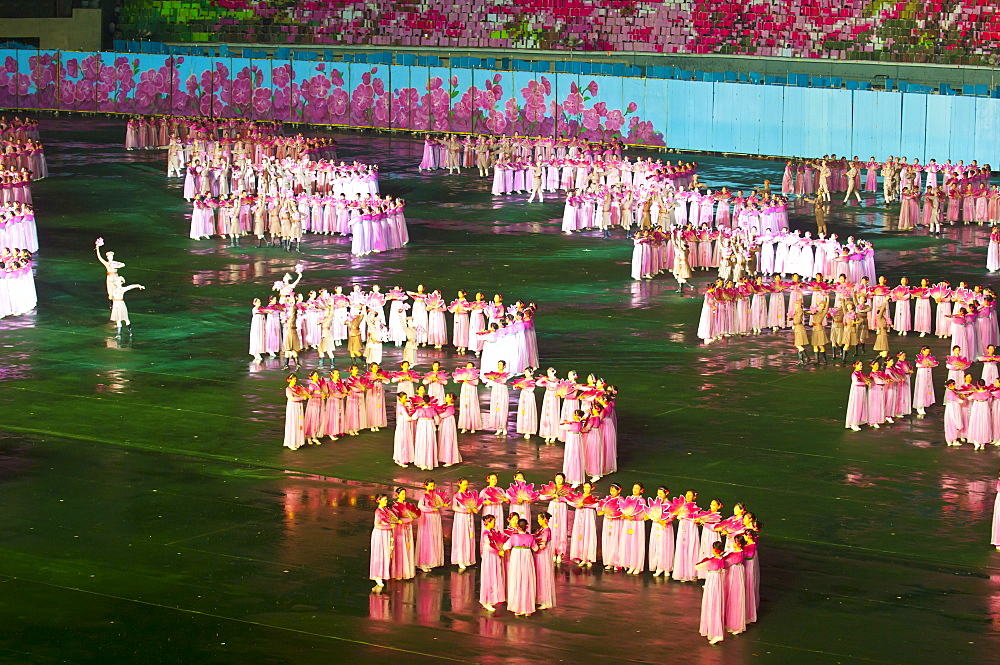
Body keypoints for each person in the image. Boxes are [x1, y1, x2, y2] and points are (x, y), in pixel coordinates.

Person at [502, 518, 538, 617]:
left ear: (518, 526)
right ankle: (528, 608)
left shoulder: (514, 537)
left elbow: (505, 547)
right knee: (527, 580)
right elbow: (536, 548)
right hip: (527, 557)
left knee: (517, 579)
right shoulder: (530, 537)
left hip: (516, 556)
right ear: (526, 526)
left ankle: (518, 607)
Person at [696, 541, 726, 644]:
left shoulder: (713, 562)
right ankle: (714, 631)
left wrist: (706, 560)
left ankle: (717, 633)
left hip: (714, 581)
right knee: (714, 604)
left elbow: (697, 567)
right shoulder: (721, 559)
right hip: (716, 580)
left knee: (714, 604)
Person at [416, 479, 446, 573]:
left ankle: (432, 560)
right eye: (430, 486)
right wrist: (430, 509)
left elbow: (439, 503)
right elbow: (420, 506)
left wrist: (441, 504)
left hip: (435, 517)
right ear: (426, 486)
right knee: (426, 539)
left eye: (433, 486)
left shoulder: (435, 496)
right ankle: (423, 562)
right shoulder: (423, 497)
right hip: (427, 518)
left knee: (434, 537)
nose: (432, 488)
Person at [450, 477, 479, 571]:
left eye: (467, 484)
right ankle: (460, 560)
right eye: (464, 484)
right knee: (461, 537)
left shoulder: (469, 494)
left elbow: (476, 504)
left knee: (469, 536)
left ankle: (468, 558)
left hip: (469, 517)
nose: (465, 486)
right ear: (459, 484)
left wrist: (475, 509)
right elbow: (454, 507)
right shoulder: (457, 495)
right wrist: (465, 510)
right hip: (461, 518)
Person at [479, 514, 506, 611]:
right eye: (493, 521)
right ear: (488, 522)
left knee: (494, 575)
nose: (495, 523)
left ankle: (492, 598)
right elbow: (488, 546)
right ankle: (486, 600)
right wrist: (498, 551)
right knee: (489, 576)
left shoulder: (493, 531)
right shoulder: (485, 533)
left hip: (494, 556)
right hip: (489, 556)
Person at [369, 494, 395, 588]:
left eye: (386, 499)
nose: (386, 501)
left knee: (385, 553)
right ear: (379, 501)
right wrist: (389, 526)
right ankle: (377, 575)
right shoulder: (378, 512)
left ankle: (383, 573)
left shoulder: (386, 510)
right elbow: (377, 525)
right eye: (384, 500)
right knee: (379, 554)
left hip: (386, 533)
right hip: (380, 533)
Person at [534, 512, 556, 610]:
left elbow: (542, 544)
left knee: (543, 575)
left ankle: (545, 600)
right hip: (538, 554)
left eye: (540, 519)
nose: (538, 521)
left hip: (543, 554)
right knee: (539, 575)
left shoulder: (546, 531)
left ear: (545, 520)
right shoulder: (541, 529)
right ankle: (540, 598)